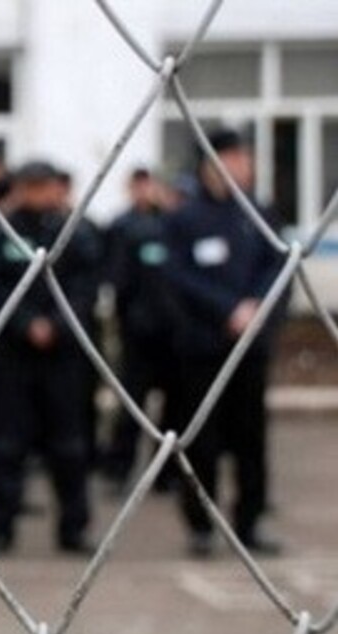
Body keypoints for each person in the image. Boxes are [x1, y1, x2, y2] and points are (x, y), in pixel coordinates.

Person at [165, 130, 285, 558]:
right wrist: (226, 310)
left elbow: (278, 265)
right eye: (231, 157)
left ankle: (250, 522)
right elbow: (178, 278)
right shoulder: (185, 218)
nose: (241, 165)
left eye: (244, 157)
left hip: (250, 347)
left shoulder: (259, 213)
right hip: (203, 348)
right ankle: (200, 524)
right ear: (209, 163)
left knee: (251, 439)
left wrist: (256, 307)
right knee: (202, 441)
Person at [0, 161, 100, 556]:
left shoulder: (74, 233)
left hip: (63, 355)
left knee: (69, 446)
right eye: (29, 187)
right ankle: (1, 526)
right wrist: (27, 323)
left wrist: (56, 324)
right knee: (6, 445)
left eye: (44, 186)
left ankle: (73, 528)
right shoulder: (1, 233)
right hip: (13, 355)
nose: (38, 195)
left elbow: (86, 287)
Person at [101, 168, 181, 493]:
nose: (144, 191)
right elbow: (116, 278)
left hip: (172, 330)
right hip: (136, 329)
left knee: (174, 405)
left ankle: (166, 474)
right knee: (131, 404)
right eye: (138, 186)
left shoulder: (171, 224)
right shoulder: (121, 227)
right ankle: (120, 471)